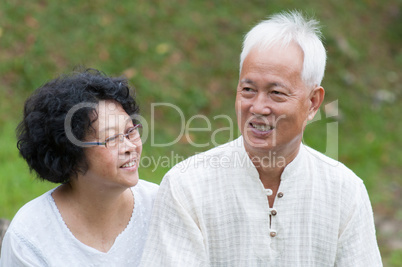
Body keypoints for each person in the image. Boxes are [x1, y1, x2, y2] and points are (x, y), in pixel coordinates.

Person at [140, 11, 382, 266]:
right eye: (248, 90)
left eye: (276, 93)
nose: (257, 107)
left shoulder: (345, 192)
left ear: (312, 103)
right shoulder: (186, 187)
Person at [0, 68, 158, 266]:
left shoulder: (162, 208)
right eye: (111, 139)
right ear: (70, 154)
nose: (129, 147)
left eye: (130, 132)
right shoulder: (29, 237)